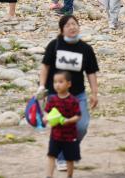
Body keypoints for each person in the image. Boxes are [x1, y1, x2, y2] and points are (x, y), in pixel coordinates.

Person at [39, 15, 99, 171]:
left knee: (82, 126)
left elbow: (91, 73)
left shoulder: (86, 49)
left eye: (74, 24)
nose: (72, 27)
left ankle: (67, 149)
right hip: (55, 94)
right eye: (67, 25)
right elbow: (45, 67)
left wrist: (94, 93)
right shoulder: (54, 45)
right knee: (59, 127)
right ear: (61, 30)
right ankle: (62, 158)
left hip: (77, 95)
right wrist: (41, 86)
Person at [44, 71, 81, 178]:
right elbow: (47, 111)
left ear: (69, 84)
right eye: (55, 82)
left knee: (69, 158)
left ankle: (69, 175)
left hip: (70, 136)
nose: (57, 85)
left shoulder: (73, 100)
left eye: (61, 82)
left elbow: (78, 116)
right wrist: (45, 118)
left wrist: (68, 121)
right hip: (55, 135)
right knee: (51, 155)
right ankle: (49, 176)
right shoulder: (52, 99)